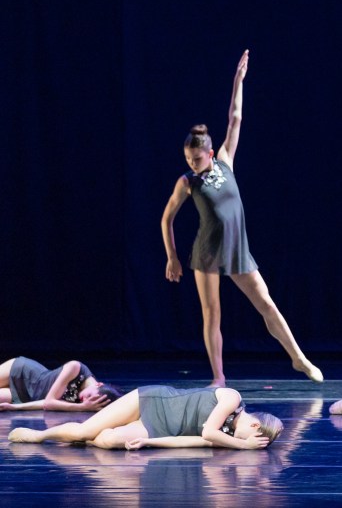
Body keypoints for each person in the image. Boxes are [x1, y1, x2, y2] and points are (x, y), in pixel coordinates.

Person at [160, 50, 321, 387]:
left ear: (210, 153)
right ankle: (219, 377)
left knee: (266, 303)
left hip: (237, 250)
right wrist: (172, 257)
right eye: (187, 159)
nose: (191, 163)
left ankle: (298, 358)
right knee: (212, 315)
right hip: (206, 253)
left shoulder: (225, 161)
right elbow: (166, 219)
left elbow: (235, 118)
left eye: (196, 159)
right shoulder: (187, 182)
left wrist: (238, 80)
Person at [8, 385, 281, 450]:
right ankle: (39, 436)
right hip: (153, 400)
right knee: (83, 432)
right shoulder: (233, 399)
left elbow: (188, 440)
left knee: (110, 441)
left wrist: (151, 442)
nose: (249, 443)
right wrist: (244, 446)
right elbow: (208, 432)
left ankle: (89, 437)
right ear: (254, 425)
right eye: (254, 439)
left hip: (160, 427)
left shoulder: (228, 437)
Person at [0, 357, 122, 412]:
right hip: (23, 373)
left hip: (26, 397)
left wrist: (15, 407)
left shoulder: (86, 402)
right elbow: (49, 402)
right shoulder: (75, 367)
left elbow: (45, 403)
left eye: (88, 401)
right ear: (98, 384)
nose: (85, 400)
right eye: (89, 396)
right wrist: (82, 407)